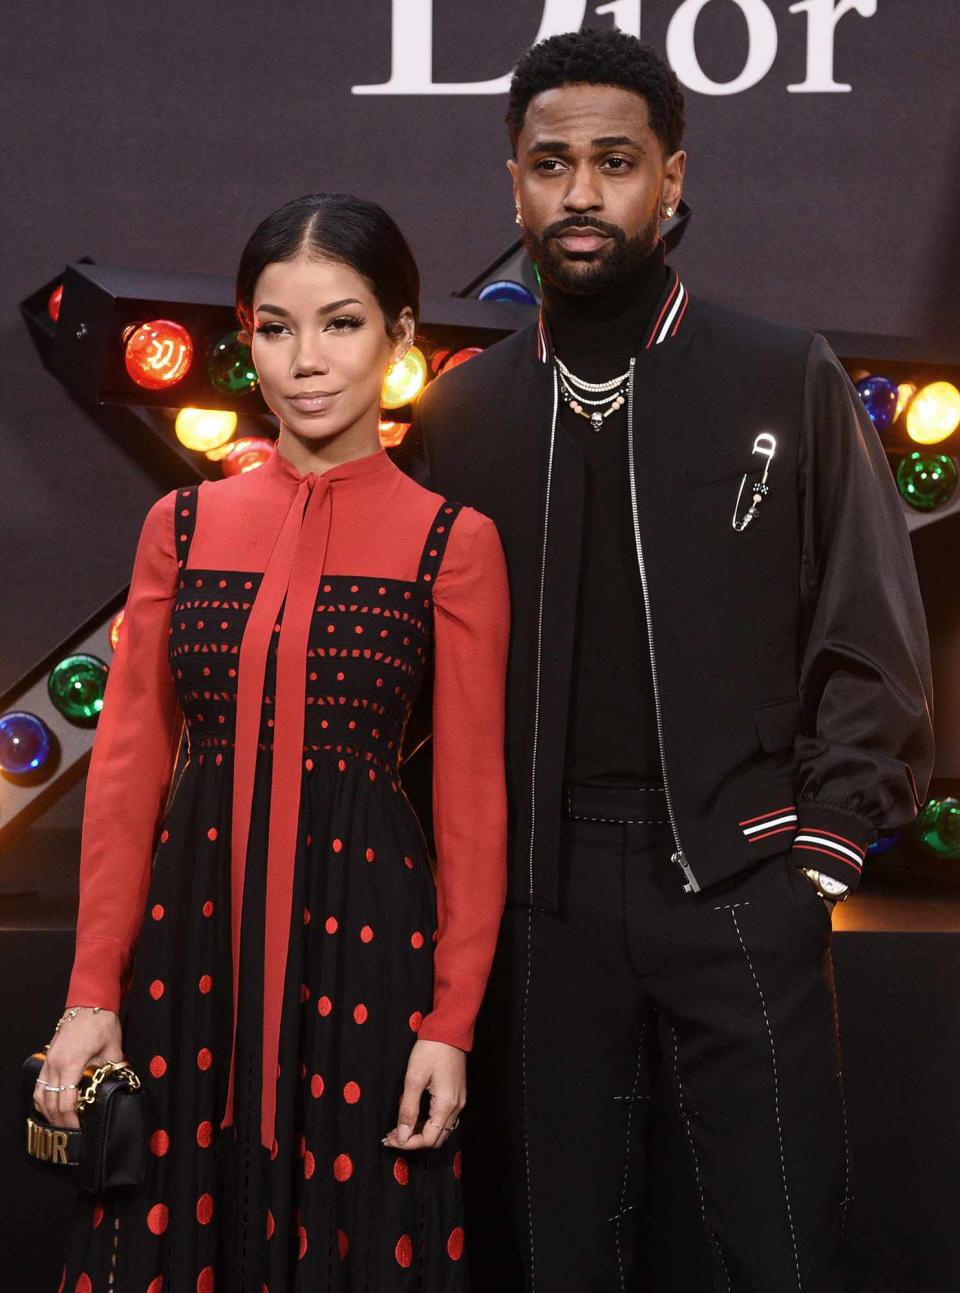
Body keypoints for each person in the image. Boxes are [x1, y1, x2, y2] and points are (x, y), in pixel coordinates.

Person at [396, 28, 934, 1293]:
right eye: (552, 163)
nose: (582, 192)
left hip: (741, 872)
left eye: (616, 162)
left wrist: (817, 863)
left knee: (783, 1247)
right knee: (559, 1255)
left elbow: (872, 635)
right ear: (513, 185)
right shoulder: (461, 414)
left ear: (673, 179)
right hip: (543, 899)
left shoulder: (779, 373)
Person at [39, 193, 509, 1291]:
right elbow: (126, 770)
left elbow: (474, 804)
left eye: (341, 323)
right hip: (183, 943)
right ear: (245, 338)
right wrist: (90, 993)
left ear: (401, 337)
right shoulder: (184, 526)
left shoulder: (455, 542)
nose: (307, 359)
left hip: (368, 947)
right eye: (276, 326)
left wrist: (451, 1021)